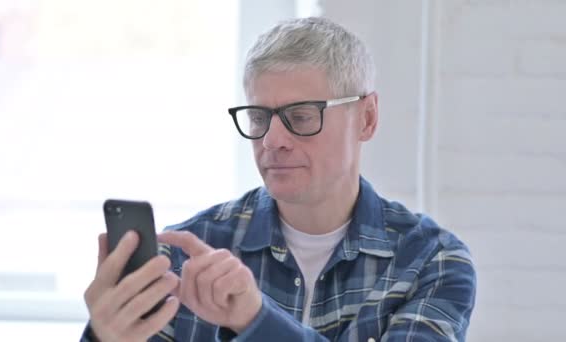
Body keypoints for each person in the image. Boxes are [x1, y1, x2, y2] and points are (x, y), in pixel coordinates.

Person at [81, 17, 476, 342]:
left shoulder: (431, 262)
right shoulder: (181, 261)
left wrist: (255, 319)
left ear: (367, 118)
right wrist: (103, 336)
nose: (271, 141)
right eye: (258, 117)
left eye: (301, 116)